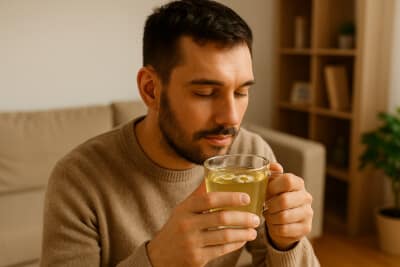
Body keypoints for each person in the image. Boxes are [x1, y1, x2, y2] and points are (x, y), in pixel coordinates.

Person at [41, 0, 319, 266]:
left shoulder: (251, 155)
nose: (232, 118)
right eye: (205, 93)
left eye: (241, 92)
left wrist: (286, 244)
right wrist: (158, 260)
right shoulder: (78, 179)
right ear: (151, 89)